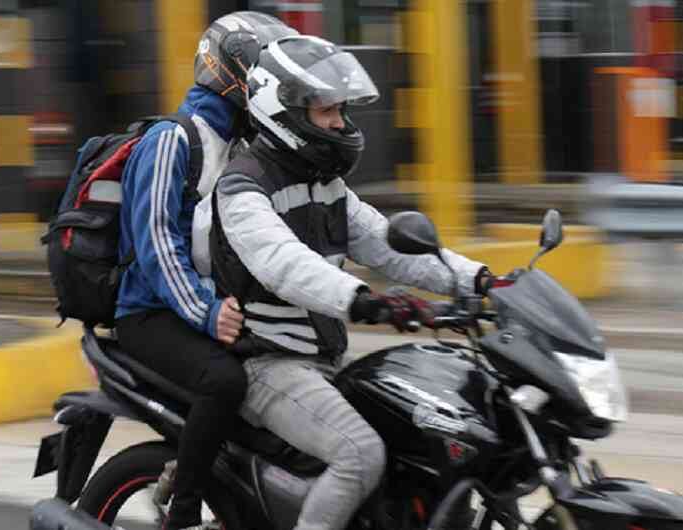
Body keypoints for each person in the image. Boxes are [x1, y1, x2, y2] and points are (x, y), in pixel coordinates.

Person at [204, 35, 498, 530]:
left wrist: (481, 281)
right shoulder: (242, 188)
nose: (340, 122)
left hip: (325, 358)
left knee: (427, 433)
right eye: (327, 110)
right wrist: (364, 301)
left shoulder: (327, 185)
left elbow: (388, 245)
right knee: (359, 453)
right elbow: (285, 264)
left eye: (341, 109)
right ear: (283, 111)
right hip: (268, 363)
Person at [113, 12, 297, 530]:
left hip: (214, 305)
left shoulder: (244, 146)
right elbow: (156, 245)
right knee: (225, 382)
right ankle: (184, 508)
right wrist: (205, 311)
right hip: (150, 313)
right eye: (262, 71)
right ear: (229, 71)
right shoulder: (173, 140)